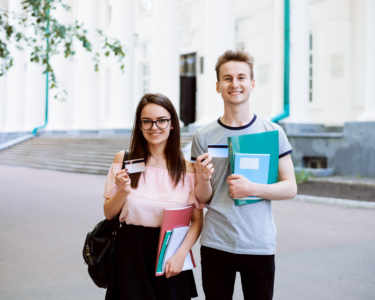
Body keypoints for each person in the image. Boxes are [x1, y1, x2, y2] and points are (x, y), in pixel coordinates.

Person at [192, 50, 297, 300]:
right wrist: (203, 179)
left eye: (241, 77)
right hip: (216, 242)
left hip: (258, 243)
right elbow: (202, 198)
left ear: (252, 83)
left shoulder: (272, 133)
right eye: (227, 78)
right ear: (218, 86)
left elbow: (290, 187)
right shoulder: (203, 137)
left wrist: (253, 189)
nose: (234, 84)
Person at [104, 93, 202, 300]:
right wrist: (123, 190)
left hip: (171, 252)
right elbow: (109, 213)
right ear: (139, 126)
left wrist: (181, 254)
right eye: (147, 121)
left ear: (173, 124)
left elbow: (196, 221)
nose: (154, 127)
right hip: (130, 253)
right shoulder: (124, 160)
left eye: (161, 120)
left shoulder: (188, 169)